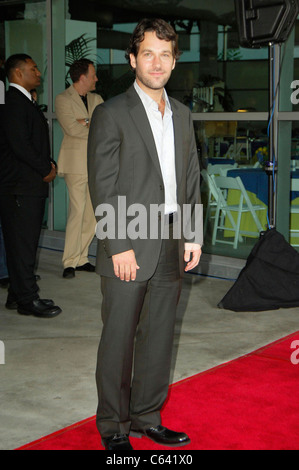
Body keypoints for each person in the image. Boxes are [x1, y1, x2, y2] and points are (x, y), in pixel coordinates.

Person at [88, 19, 203, 451]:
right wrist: (119, 244)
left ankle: (147, 416)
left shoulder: (183, 115)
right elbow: (103, 183)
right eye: (149, 54)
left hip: (173, 240)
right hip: (130, 240)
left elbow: (190, 178)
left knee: (158, 337)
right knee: (118, 340)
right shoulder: (112, 112)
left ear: (175, 61)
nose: (157, 63)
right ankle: (114, 427)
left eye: (166, 54)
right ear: (133, 59)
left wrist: (192, 235)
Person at [0, 54, 62, 318]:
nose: (39, 73)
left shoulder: (23, 102)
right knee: (23, 244)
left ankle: (17, 293)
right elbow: (21, 145)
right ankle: (27, 299)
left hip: (25, 185)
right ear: (17, 73)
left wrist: (47, 163)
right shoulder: (14, 103)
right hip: (20, 186)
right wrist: (45, 168)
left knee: (21, 243)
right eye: (33, 69)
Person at [55, 59, 103, 279]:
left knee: (92, 215)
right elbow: (72, 128)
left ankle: (82, 258)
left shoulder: (97, 99)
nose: (96, 79)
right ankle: (69, 261)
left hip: (95, 164)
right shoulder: (63, 99)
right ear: (82, 77)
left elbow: (104, 127)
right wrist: (90, 123)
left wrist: (86, 121)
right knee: (77, 212)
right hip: (75, 164)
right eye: (93, 75)